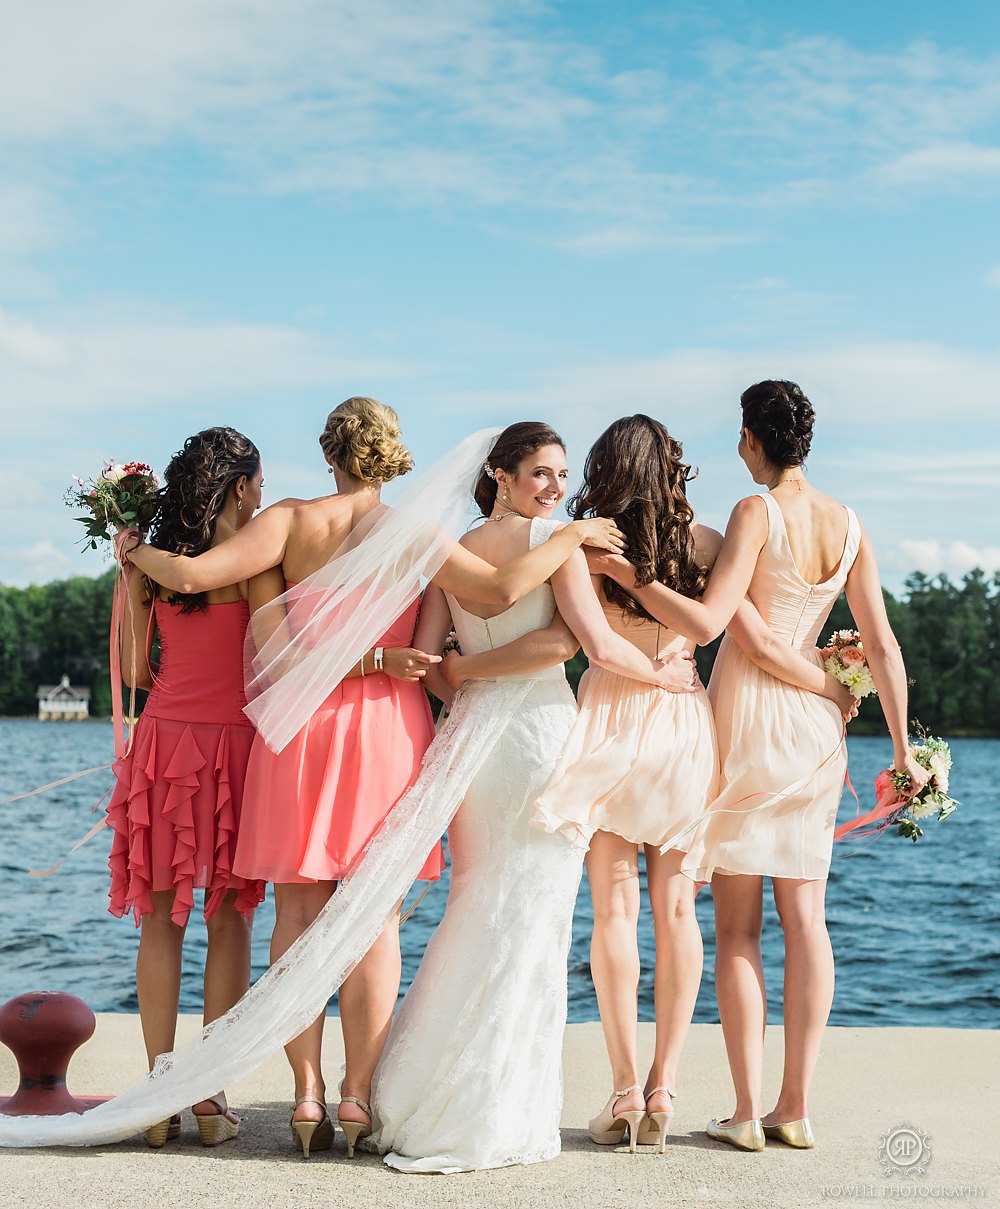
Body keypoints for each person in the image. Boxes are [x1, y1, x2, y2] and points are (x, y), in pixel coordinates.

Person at [120, 400, 625, 1158]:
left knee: (295, 918)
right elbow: (497, 589)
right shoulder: (412, 532)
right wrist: (575, 535)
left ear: (330, 453)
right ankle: (356, 1095)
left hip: (298, 734)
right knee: (374, 919)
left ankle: (305, 1095)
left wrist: (136, 555)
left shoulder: (286, 523)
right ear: (392, 458)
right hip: (387, 733)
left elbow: (231, 611)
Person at [590, 381, 927, 1152]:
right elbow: (882, 644)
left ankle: (745, 1110)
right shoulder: (850, 524)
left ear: (750, 439)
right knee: (806, 919)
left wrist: (631, 578)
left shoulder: (754, 513)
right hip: (816, 731)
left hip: (749, 714)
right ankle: (795, 1105)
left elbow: (720, 626)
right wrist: (900, 747)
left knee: (737, 928)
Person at [369, 421, 699, 1173]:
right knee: (530, 915)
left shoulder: (452, 549)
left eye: (559, 474)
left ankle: (427, 1090)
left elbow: (432, 658)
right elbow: (578, 644)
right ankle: (496, 1105)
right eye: (540, 473)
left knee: (479, 901)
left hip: (471, 742)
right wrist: (665, 678)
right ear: (502, 474)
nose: (554, 487)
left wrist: (462, 674)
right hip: (536, 732)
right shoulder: (557, 543)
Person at [533, 414, 857, 1152]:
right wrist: (831, 682)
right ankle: (664, 1086)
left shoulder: (582, 544)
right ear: (674, 469)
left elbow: (588, 643)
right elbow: (737, 631)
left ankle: (621, 1087)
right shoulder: (706, 544)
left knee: (614, 910)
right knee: (676, 910)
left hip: (610, 722)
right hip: (684, 720)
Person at [107, 427, 280, 1147]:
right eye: (260, 483)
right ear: (240, 487)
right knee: (231, 917)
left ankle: (157, 1094)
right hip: (238, 747)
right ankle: (210, 1095)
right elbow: (273, 659)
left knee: (159, 918)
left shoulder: (147, 566)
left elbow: (134, 673)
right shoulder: (258, 565)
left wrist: (129, 555)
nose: (264, 495)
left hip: (166, 742)